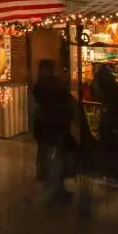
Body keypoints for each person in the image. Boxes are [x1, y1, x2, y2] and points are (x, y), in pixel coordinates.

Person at [33, 59, 73, 204]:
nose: (48, 72)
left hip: (53, 127)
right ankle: (54, 191)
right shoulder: (44, 86)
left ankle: (58, 189)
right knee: (53, 159)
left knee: (56, 158)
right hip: (50, 127)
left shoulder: (46, 84)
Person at [93, 64, 118, 187]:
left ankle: (108, 175)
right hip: (113, 119)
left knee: (108, 146)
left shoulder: (100, 83)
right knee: (114, 146)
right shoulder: (111, 86)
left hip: (107, 117)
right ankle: (115, 176)